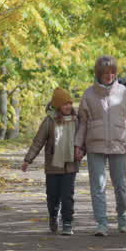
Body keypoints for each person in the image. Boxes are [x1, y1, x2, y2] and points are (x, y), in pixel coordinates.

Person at [74, 55, 126, 236]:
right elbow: (82, 123)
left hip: (119, 144)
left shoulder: (123, 92)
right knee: (98, 186)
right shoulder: (89, 94)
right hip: (95, 145)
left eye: (112, 72)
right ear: (98, 73)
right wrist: (78, 145)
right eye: (105, 73)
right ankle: (101, 223)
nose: (109, 75)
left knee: (121, 185)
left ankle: (122, 218)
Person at [22, 87, 80, 235]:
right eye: (64, 104)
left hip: (70, 166)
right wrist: (28, 159)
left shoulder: (76, 120)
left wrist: (82, 151)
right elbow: (38, 142)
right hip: (53, 166)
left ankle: (67, 223)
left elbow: (83, 140)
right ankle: (53, 216)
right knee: (53, 196)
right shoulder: (49, 121)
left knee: (68, 196)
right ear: (57, 106)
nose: (68, 106)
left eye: (69, 103)